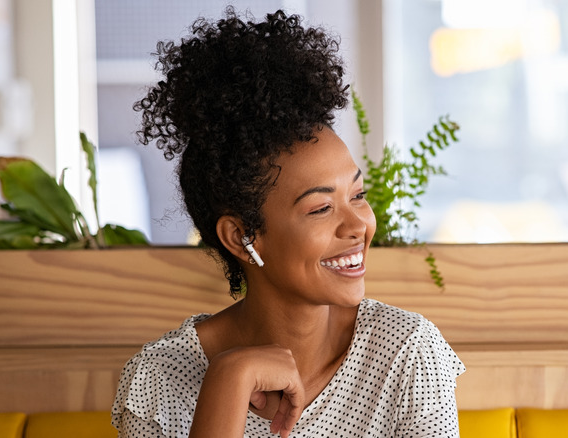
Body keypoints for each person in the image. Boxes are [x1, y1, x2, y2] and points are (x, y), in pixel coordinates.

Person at [112, 7, 465, 437]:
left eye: (358, 195)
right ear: (242, 238)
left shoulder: (405, 353)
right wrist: (228, 382)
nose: (358, 225)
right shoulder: (158, 381)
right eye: (321, 208)